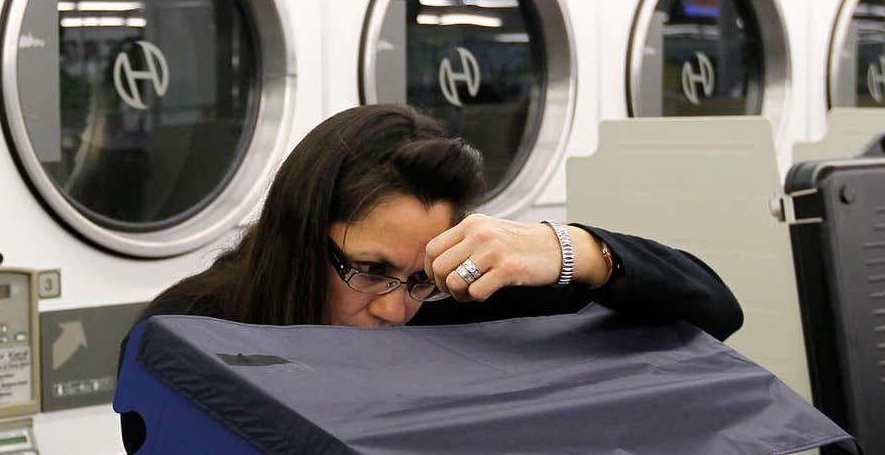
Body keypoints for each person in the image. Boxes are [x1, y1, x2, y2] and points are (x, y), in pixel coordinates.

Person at [142, 103, 742, 339]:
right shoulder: (194, 329)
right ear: (301, 237)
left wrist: (568, 250)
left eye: (418, 277)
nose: (394, 308)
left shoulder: (456, 290)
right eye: (371, 270)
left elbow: (715, 310)